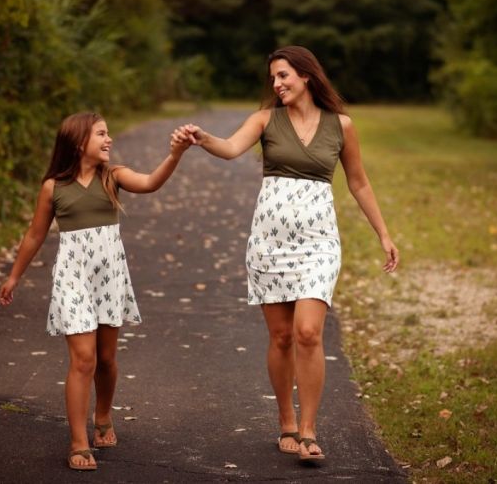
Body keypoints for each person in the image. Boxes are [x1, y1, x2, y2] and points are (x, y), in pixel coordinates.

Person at [171, 46, 399, 461]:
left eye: (283, 75)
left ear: (306, 75)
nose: (276, 84)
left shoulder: (341, 125)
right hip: (269, 244)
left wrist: (383, 233)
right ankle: (286, 421)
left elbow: (359, 182)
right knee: (280, 337)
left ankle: (309, 432)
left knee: (308, 333)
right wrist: (202, 138)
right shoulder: (265, 120)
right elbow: (230, 147)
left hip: (318, 243)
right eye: (273, 78)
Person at [0, 112, 190, 471]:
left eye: (108, 133)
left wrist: (175, 154)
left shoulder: (113, 176)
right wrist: (14, 276)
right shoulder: (54, 187)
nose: (109, 139)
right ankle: (78, 442)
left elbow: (150, 182)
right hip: (72, 278)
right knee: (83, 359)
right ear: (78, 142)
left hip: (109, 278)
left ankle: (103, 415)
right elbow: (35, 234)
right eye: (101, 134)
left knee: (105, 359)